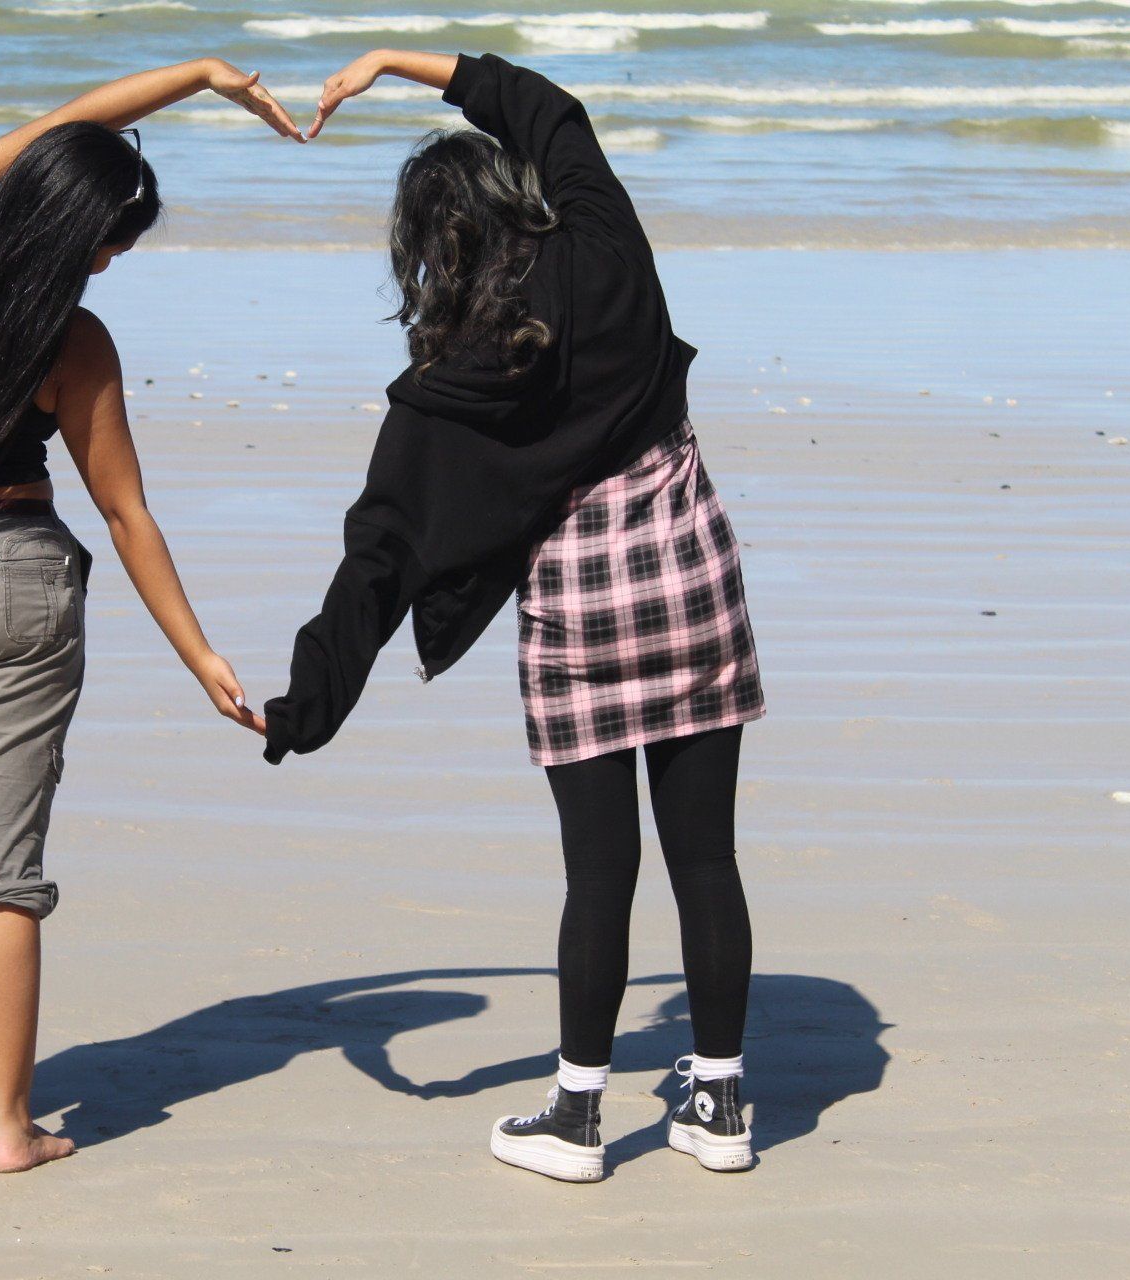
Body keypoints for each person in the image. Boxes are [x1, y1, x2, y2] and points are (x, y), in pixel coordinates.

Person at [266, 51, 767, 1181]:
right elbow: (555, 109)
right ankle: (722, 1103)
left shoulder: (447, 386)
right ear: (520, 194)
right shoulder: (604, 247)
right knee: (707, 858)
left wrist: (306, 703)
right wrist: (409, 61)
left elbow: (379, 556)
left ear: (428, 252)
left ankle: (582, 1114)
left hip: (583, 620)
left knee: (601, 872)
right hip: (690, 581)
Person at [0, 59, 294, 1174]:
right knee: (1, 868)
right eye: (113, 238)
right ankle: (7, 1127)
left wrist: (197, 79)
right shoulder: (75, 341)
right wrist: (201, 655)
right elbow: (125, 513)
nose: (112, 258)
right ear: (80, 229)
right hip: (20, 575)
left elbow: (57, 126)